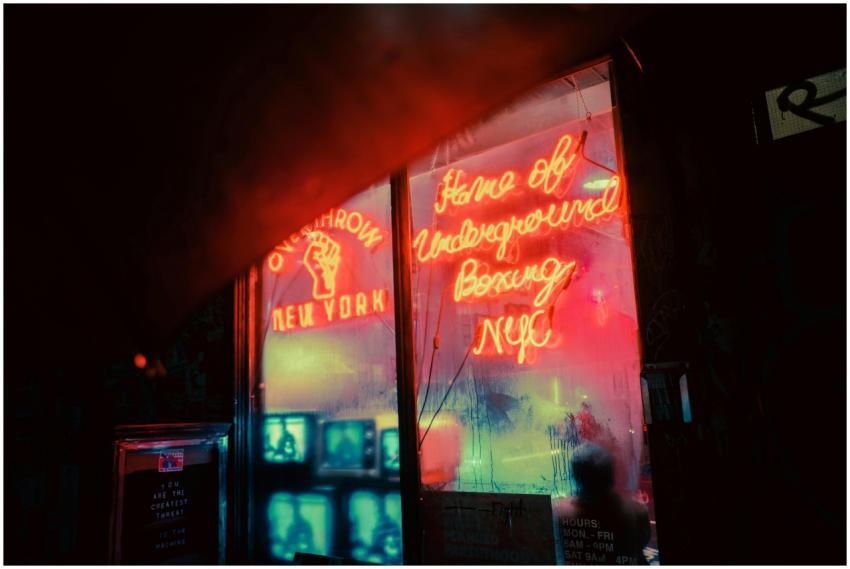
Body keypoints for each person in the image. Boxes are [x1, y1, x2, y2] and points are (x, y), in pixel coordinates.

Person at [555, 443, 650, 565]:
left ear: (577, 476)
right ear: (610, 474)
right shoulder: (636, 510)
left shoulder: (560, 512)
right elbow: (643, 541)